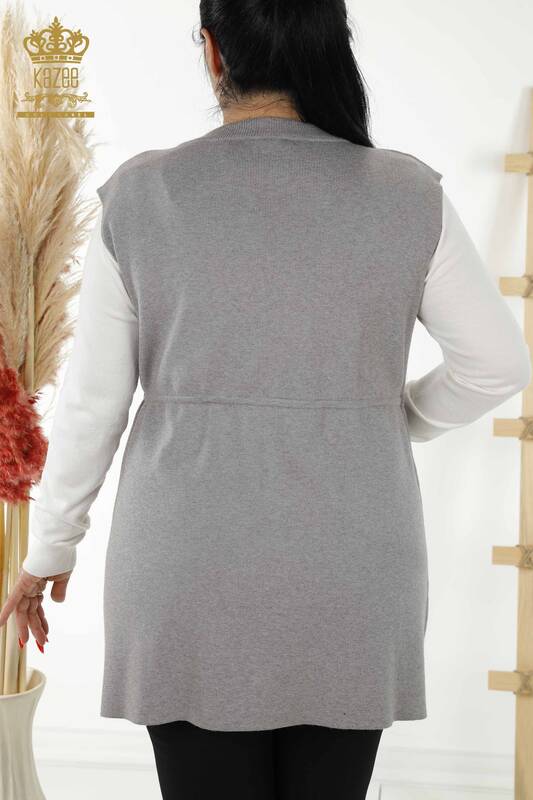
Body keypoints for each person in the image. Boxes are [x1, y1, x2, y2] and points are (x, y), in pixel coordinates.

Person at [0, 1, 530, 798]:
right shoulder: (406, 193)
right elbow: (495, 365)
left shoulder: (142, 194)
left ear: (213, 51)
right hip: (354, 559)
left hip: (185, 558)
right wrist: (392, 419)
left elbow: (93, 406)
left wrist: (49, 552)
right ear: (327, 46)